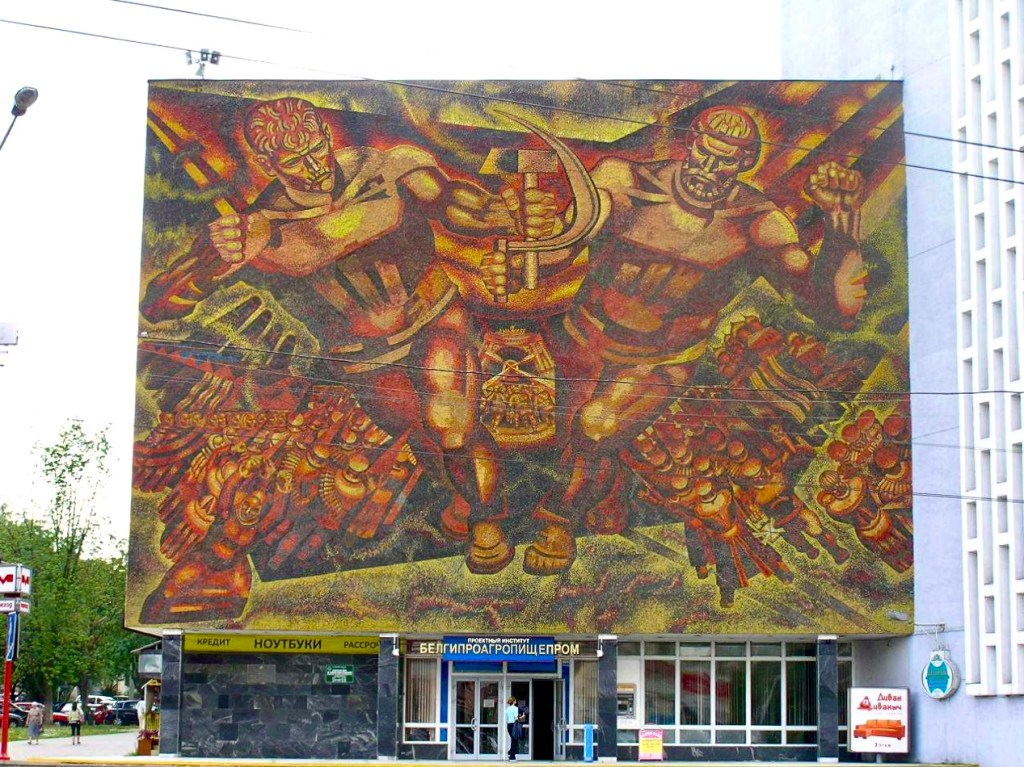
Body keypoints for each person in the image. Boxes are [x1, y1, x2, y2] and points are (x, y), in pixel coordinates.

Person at [138, 95, 556, 616]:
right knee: (429, 436)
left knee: (447, 411)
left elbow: (457, 203)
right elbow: (159, 304)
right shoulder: (258, 228)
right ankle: (468, 500)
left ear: (326, 135)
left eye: (316, 148)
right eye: (294, 161)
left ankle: (488, 520)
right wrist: (206, 262)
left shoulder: (387, 167)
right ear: (267, 163)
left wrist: (506, 212)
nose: (313, 167)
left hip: (434, 317)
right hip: (366, 360)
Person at [482, 104, 868, 574]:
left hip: (658, 362)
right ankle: (499, 514)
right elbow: (562, 247)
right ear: (691, 144)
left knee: (598, 425)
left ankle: (559, 519)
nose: (710, 169)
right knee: (519, 419)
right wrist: (528, 247)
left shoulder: (758, 223)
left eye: (726, 161)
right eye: (706, 153)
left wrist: (844, 226)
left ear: (745, 164)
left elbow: (832, 309)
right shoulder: (624, 181)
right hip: (580, 340)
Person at [504, 696, 520, 761]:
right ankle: (511, 756)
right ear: (513, 701)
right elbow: (516, 718)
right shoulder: (516, 708)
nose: (516, 701)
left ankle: (511, 753)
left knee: (513, 740)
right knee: (514, 740)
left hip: (509, 725)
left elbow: (506, 719)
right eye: (515, 700)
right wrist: (521, 717)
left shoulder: (507, 709)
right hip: (514, 725)